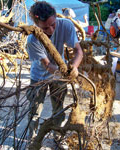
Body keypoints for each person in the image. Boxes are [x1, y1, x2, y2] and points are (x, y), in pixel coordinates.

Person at [26, 1, 83, 140]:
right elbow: (47, 65)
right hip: (39, 76)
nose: (51, 30)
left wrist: (74, 67)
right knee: (35, 110)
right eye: (45, 28)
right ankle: (33, 139)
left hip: (59, 74)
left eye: (53, 25)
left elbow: (78, 51)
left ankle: (58, 135)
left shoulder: (66, 25)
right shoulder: (32, 39)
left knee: (59, 108)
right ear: (37, 25)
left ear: (56, 17)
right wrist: (64, 73)